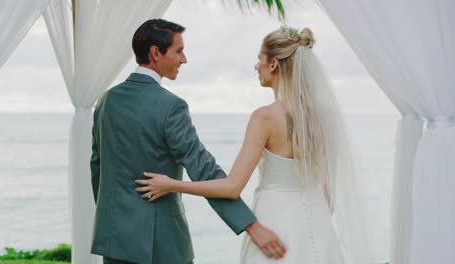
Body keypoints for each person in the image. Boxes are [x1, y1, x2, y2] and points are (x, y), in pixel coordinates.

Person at [136, 26, 373, 264]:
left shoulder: (265, 117)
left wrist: (172, 185)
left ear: (273, 64)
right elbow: (326, 190)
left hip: (276, 225)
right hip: (320, 227)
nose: (256, 66)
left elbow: (231, 187)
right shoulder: (325, 116)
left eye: (259, 59)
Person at [90, 19, 286, 264]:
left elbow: (97, 167)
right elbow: (203, 169)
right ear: (155, 53)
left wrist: (116, 219)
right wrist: (252, 227)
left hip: (115, 239)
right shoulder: (170, 106)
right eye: (179, 51)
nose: (184, 59)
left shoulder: (106, 100)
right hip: (161, 244)